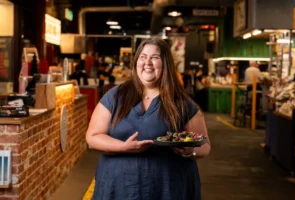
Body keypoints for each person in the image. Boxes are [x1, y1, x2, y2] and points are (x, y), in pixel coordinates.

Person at [86, 38, 211, 200]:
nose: (148, 62)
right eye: (143, 57)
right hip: (117, 189)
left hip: (168, 189)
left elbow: (205, 145)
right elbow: (92, 137)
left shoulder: (181, 103)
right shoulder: (116, 96)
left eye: (155, 57)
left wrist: (190, 151)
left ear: (165, 63)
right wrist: (124, 147)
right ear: (136, 61)